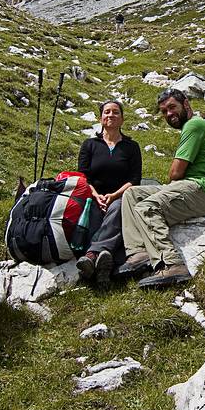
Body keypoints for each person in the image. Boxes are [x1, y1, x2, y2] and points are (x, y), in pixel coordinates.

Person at [119, 88, 205, 288]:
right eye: (164, 111)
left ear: (186, 104)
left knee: (147, 207)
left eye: (172, 107)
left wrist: (170, 184)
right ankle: (139, 253)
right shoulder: (193, 127)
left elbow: (175, 173)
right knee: (131, 194)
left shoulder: (194, 125)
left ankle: (171, 264)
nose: (169, 114)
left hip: (204, 189)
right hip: (192, 186)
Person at [75, 100, 141, 286]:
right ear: (100, 118)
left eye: (115, 112)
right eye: (107, 112)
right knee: (94, 221)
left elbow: (135, 179)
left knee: (117, 209)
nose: (111, 115)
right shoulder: (90, 145)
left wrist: (113, 196)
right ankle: (106, 263)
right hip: (93, 195)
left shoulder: (131, 147)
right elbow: (82, 176)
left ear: (122, 119)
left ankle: (91, 256)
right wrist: (96, 195)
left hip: (121, 196)